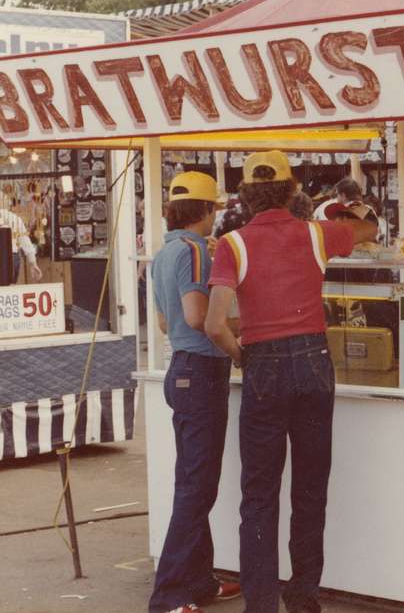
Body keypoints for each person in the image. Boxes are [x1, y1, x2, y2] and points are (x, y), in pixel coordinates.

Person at [205, 151, 376, 613]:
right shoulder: (317, 234)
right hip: (314, 360)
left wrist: (245, 358)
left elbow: (215, 324)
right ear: (292, 189)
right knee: (310, 487)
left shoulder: (232, 244)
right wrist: (353, 205)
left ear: (245, 194)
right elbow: (368, 228)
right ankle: (303, 595)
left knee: (258, 493)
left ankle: (261, 602)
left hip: (264, 363)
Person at [148, 171, 240, 613]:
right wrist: (238, 350)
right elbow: (199, 316)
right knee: (197, 488)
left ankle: (200, 580)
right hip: (203, 371)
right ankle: (168, 593)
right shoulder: (197, 252)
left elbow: (166, 322)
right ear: (207, 210)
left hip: (179, 370)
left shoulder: (162, 254)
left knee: (192, 482)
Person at [0, 206, 42, 283]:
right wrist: (33, 263)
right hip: (12, 257)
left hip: (10, 257)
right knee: (10, 290)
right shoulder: (14, 218)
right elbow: (25, 241)